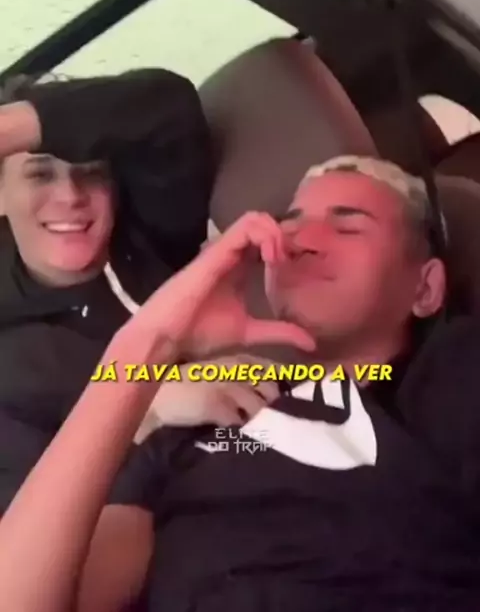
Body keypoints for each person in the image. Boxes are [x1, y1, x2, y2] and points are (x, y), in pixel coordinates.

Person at [3, 156, 480, 611]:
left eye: (348, 227)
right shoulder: (201, 419)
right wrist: (147, 349)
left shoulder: (451, 373)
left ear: (425, 288)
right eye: (288, 223)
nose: (300, 241)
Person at [0, 68, 214, 516]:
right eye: (40, 174)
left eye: (91, 173)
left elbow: (169, 105)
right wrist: (145, 411)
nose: (70, 195)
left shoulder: (152, 242)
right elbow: (31, 521)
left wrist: (10, 128)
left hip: (224, 462)